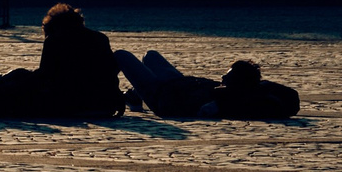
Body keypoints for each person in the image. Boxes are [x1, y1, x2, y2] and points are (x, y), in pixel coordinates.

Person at [0, 3, 125, 119]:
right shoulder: (100, 38)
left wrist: (17, 84)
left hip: (73, 103)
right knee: (20, 75)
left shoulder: (55, 40)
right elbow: (110, 70)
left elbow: (45, 74)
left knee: (18, 85)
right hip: (105, 103)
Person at [113, 49, 301, 121]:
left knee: (121, 55)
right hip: (176, 82)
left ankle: (109, 93)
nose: (222, 77)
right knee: (150, 55)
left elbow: (289, 99)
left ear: (236, 82)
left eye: (227, 75)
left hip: (162, 96)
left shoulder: (225, 98)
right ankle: (135, 95)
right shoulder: (243, 90)